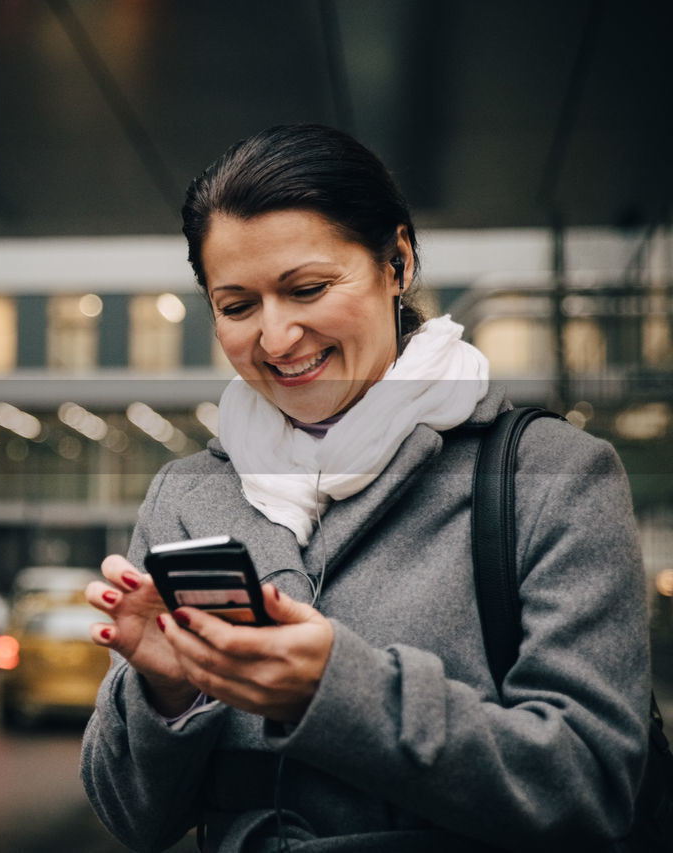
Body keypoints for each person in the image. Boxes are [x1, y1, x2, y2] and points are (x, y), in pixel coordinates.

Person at [80, 123, 650, 851]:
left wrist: (338, 690)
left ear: (398, 262)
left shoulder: (551, 474)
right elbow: (132, 819)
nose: (278, 337)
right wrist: (165, 693)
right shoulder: (187, 496)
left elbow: (591, 788)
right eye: (237, 305)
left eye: (308, 288)